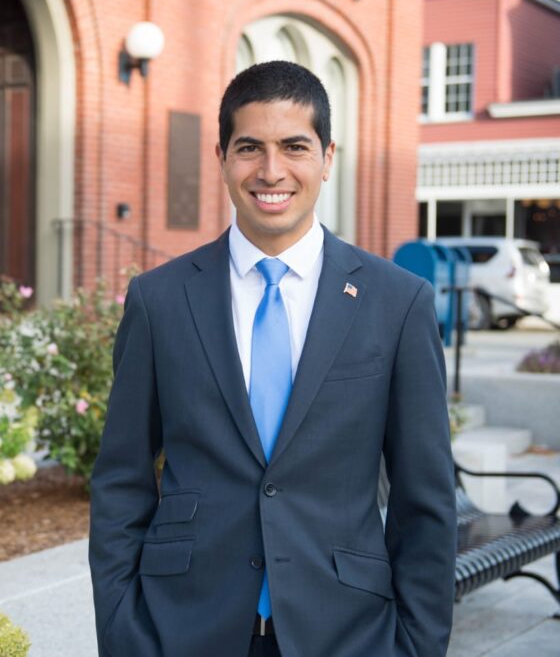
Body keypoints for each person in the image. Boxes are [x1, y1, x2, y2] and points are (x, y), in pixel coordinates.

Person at [88, 61, 457, 657]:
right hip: (184, 629)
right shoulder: (159, 300)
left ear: (327, 157)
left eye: (294, 147)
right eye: (249, 148)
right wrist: (124, 634)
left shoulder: (398, 302)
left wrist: (415, 646)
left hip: (347, 632)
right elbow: (121, 482)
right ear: (221, 157)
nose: (271, 171)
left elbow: (426, 500)